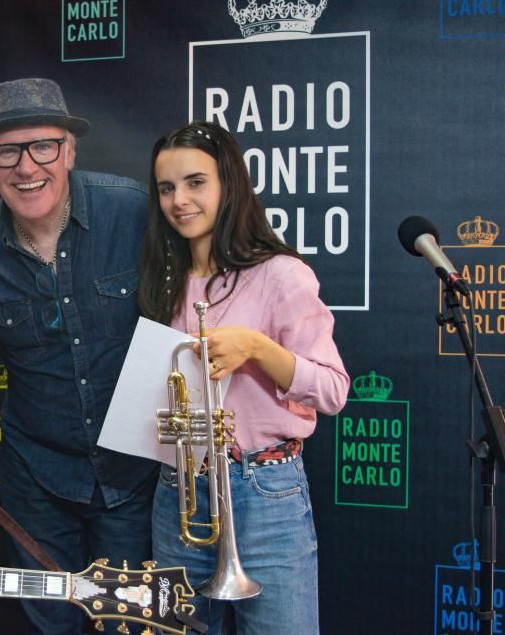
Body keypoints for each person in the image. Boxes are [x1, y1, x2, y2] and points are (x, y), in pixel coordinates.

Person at [0, 78, 157, 634]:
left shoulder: (134, 212)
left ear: (69, 151)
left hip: (133, 474)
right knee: (53, 626)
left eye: (43, 146)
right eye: (7, 152)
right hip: (36, 480)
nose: (27, 167)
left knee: (132, 624)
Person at [138, 120, 349, 634]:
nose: (179, 201)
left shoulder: (281, 274)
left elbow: (333, 390)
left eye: (195, 183)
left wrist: (256, 348)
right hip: (178, 491)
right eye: (166, 188)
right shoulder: (162, 280)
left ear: (229, 185)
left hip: (264, 490)